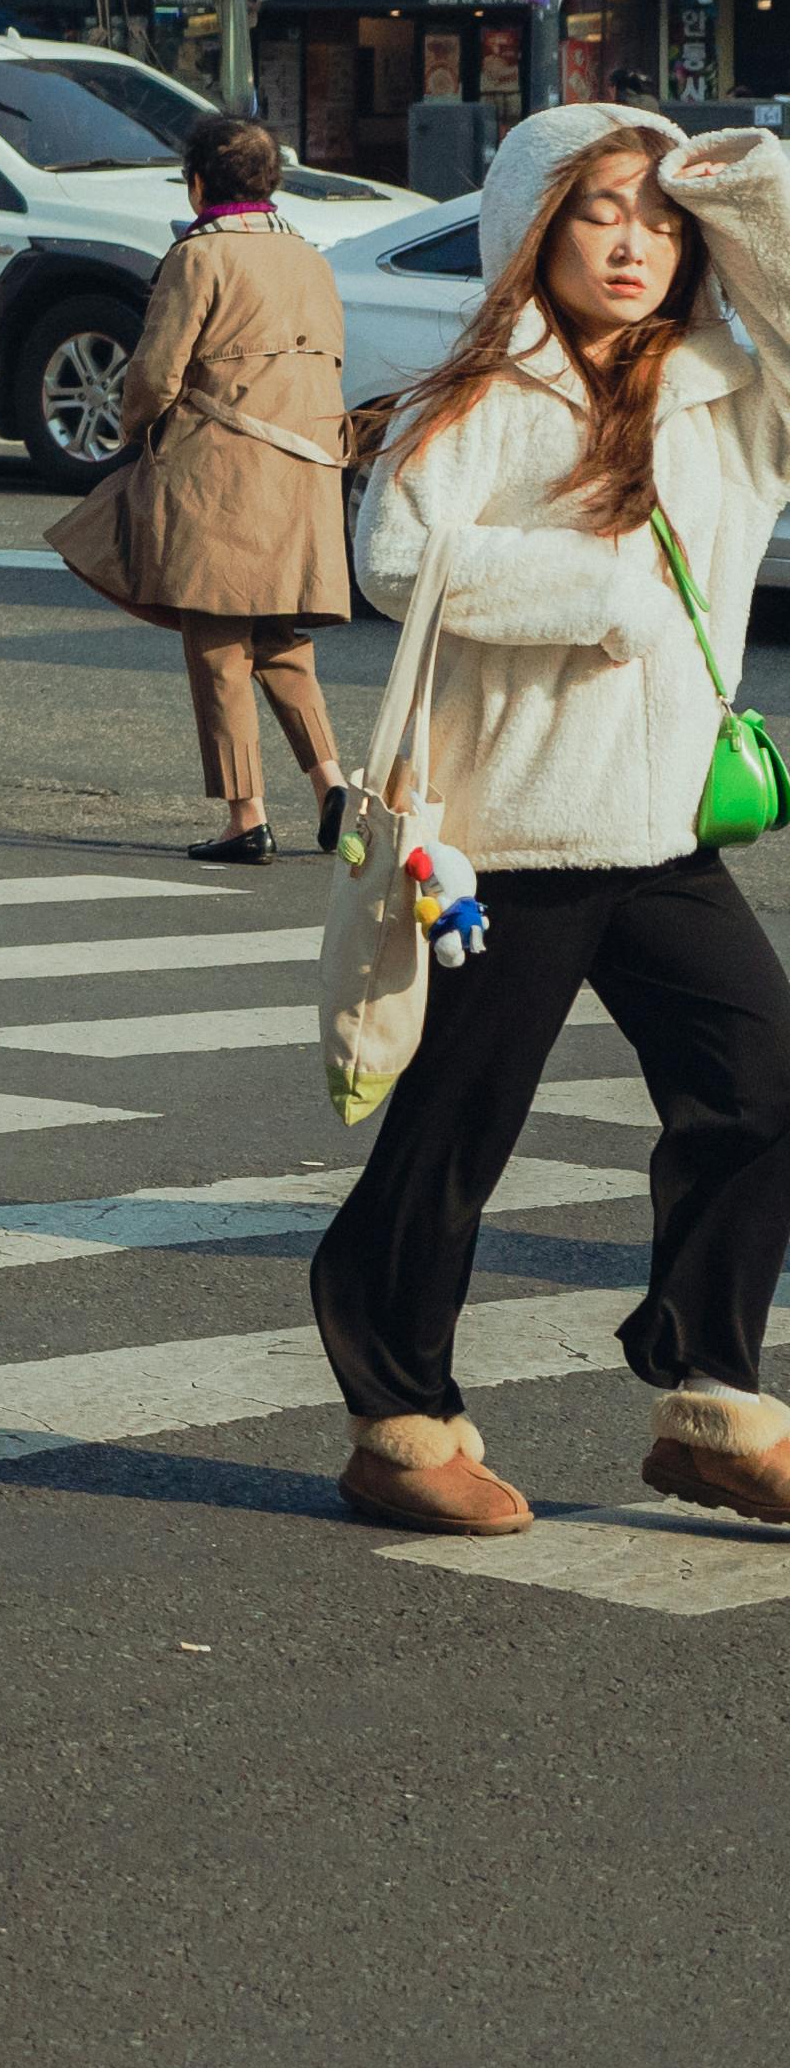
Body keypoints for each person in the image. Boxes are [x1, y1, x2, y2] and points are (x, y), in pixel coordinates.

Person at [315, 107, 790, 1539]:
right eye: (599, 210)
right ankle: (396, 1419)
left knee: (765, 1086)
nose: (635, 240)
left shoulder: (730, 389)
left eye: (659, 215)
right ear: (536, 225)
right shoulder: (478, 397)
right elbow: (395, 557)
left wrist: (734, 178)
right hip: (507, 834)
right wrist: (597, 596)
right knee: (454, 1138)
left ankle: (710, 1396)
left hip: (657, 829)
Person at [50, 114, 353, 866]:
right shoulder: (310, 259)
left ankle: (244, 817)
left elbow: (154, 374)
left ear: (196, 183)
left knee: (217, 644)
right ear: (271, 181)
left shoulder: (199, 258)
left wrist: (133, 434)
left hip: (220, 472)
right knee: (282, 641)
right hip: (305, 472)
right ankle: (331, 786)